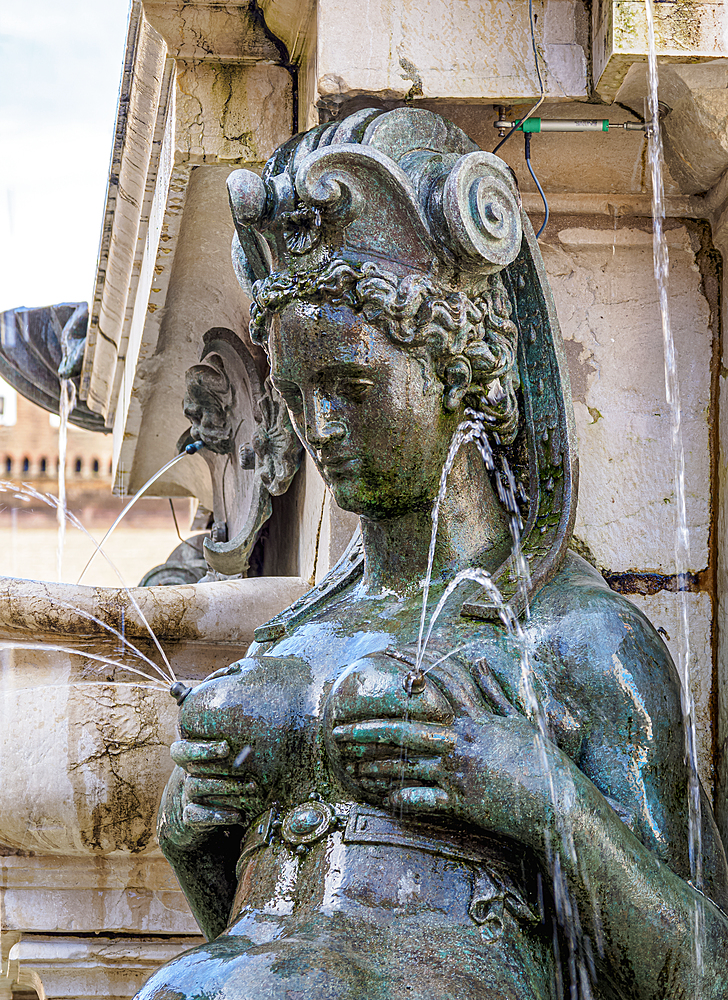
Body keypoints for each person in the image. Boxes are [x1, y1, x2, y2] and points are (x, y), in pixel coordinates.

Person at [137, 109, 728, 1000]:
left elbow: (702, 974)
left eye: (353, 386)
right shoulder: (288, 643)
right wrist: (192, 839)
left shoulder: (576, 641)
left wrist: (535, 792)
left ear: (464, 370)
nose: (322, 428)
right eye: (299, 394)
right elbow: (262, 935)